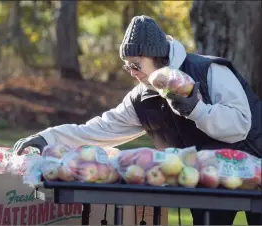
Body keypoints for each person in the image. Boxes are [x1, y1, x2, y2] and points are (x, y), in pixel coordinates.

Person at [13, 15, 262, 225]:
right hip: (207, 182)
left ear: (155, 55)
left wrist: (195, 108)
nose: (132, 73)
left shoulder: (209, 70)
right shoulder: (140, 97)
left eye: (135, 64)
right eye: (127, 67)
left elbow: (240, 126)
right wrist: (48, 137)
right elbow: (101, 129)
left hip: (256, 169)